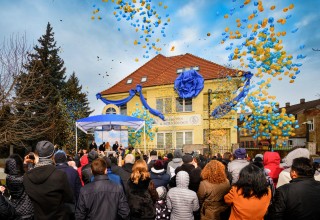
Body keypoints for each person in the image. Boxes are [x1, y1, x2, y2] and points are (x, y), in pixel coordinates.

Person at [23, 141, 74, 220]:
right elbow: (69, 197)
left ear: (36, 154)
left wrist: (28, 164)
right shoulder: (59, 175)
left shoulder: (27, 177)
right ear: (53, 155)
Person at [5, 155, 34, 219]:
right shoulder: (24, 178)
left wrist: (24, 163)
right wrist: (30, 163)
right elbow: (32, 174)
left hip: (15, 209)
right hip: (27, 211)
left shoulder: (8, 178)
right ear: (19, 165)